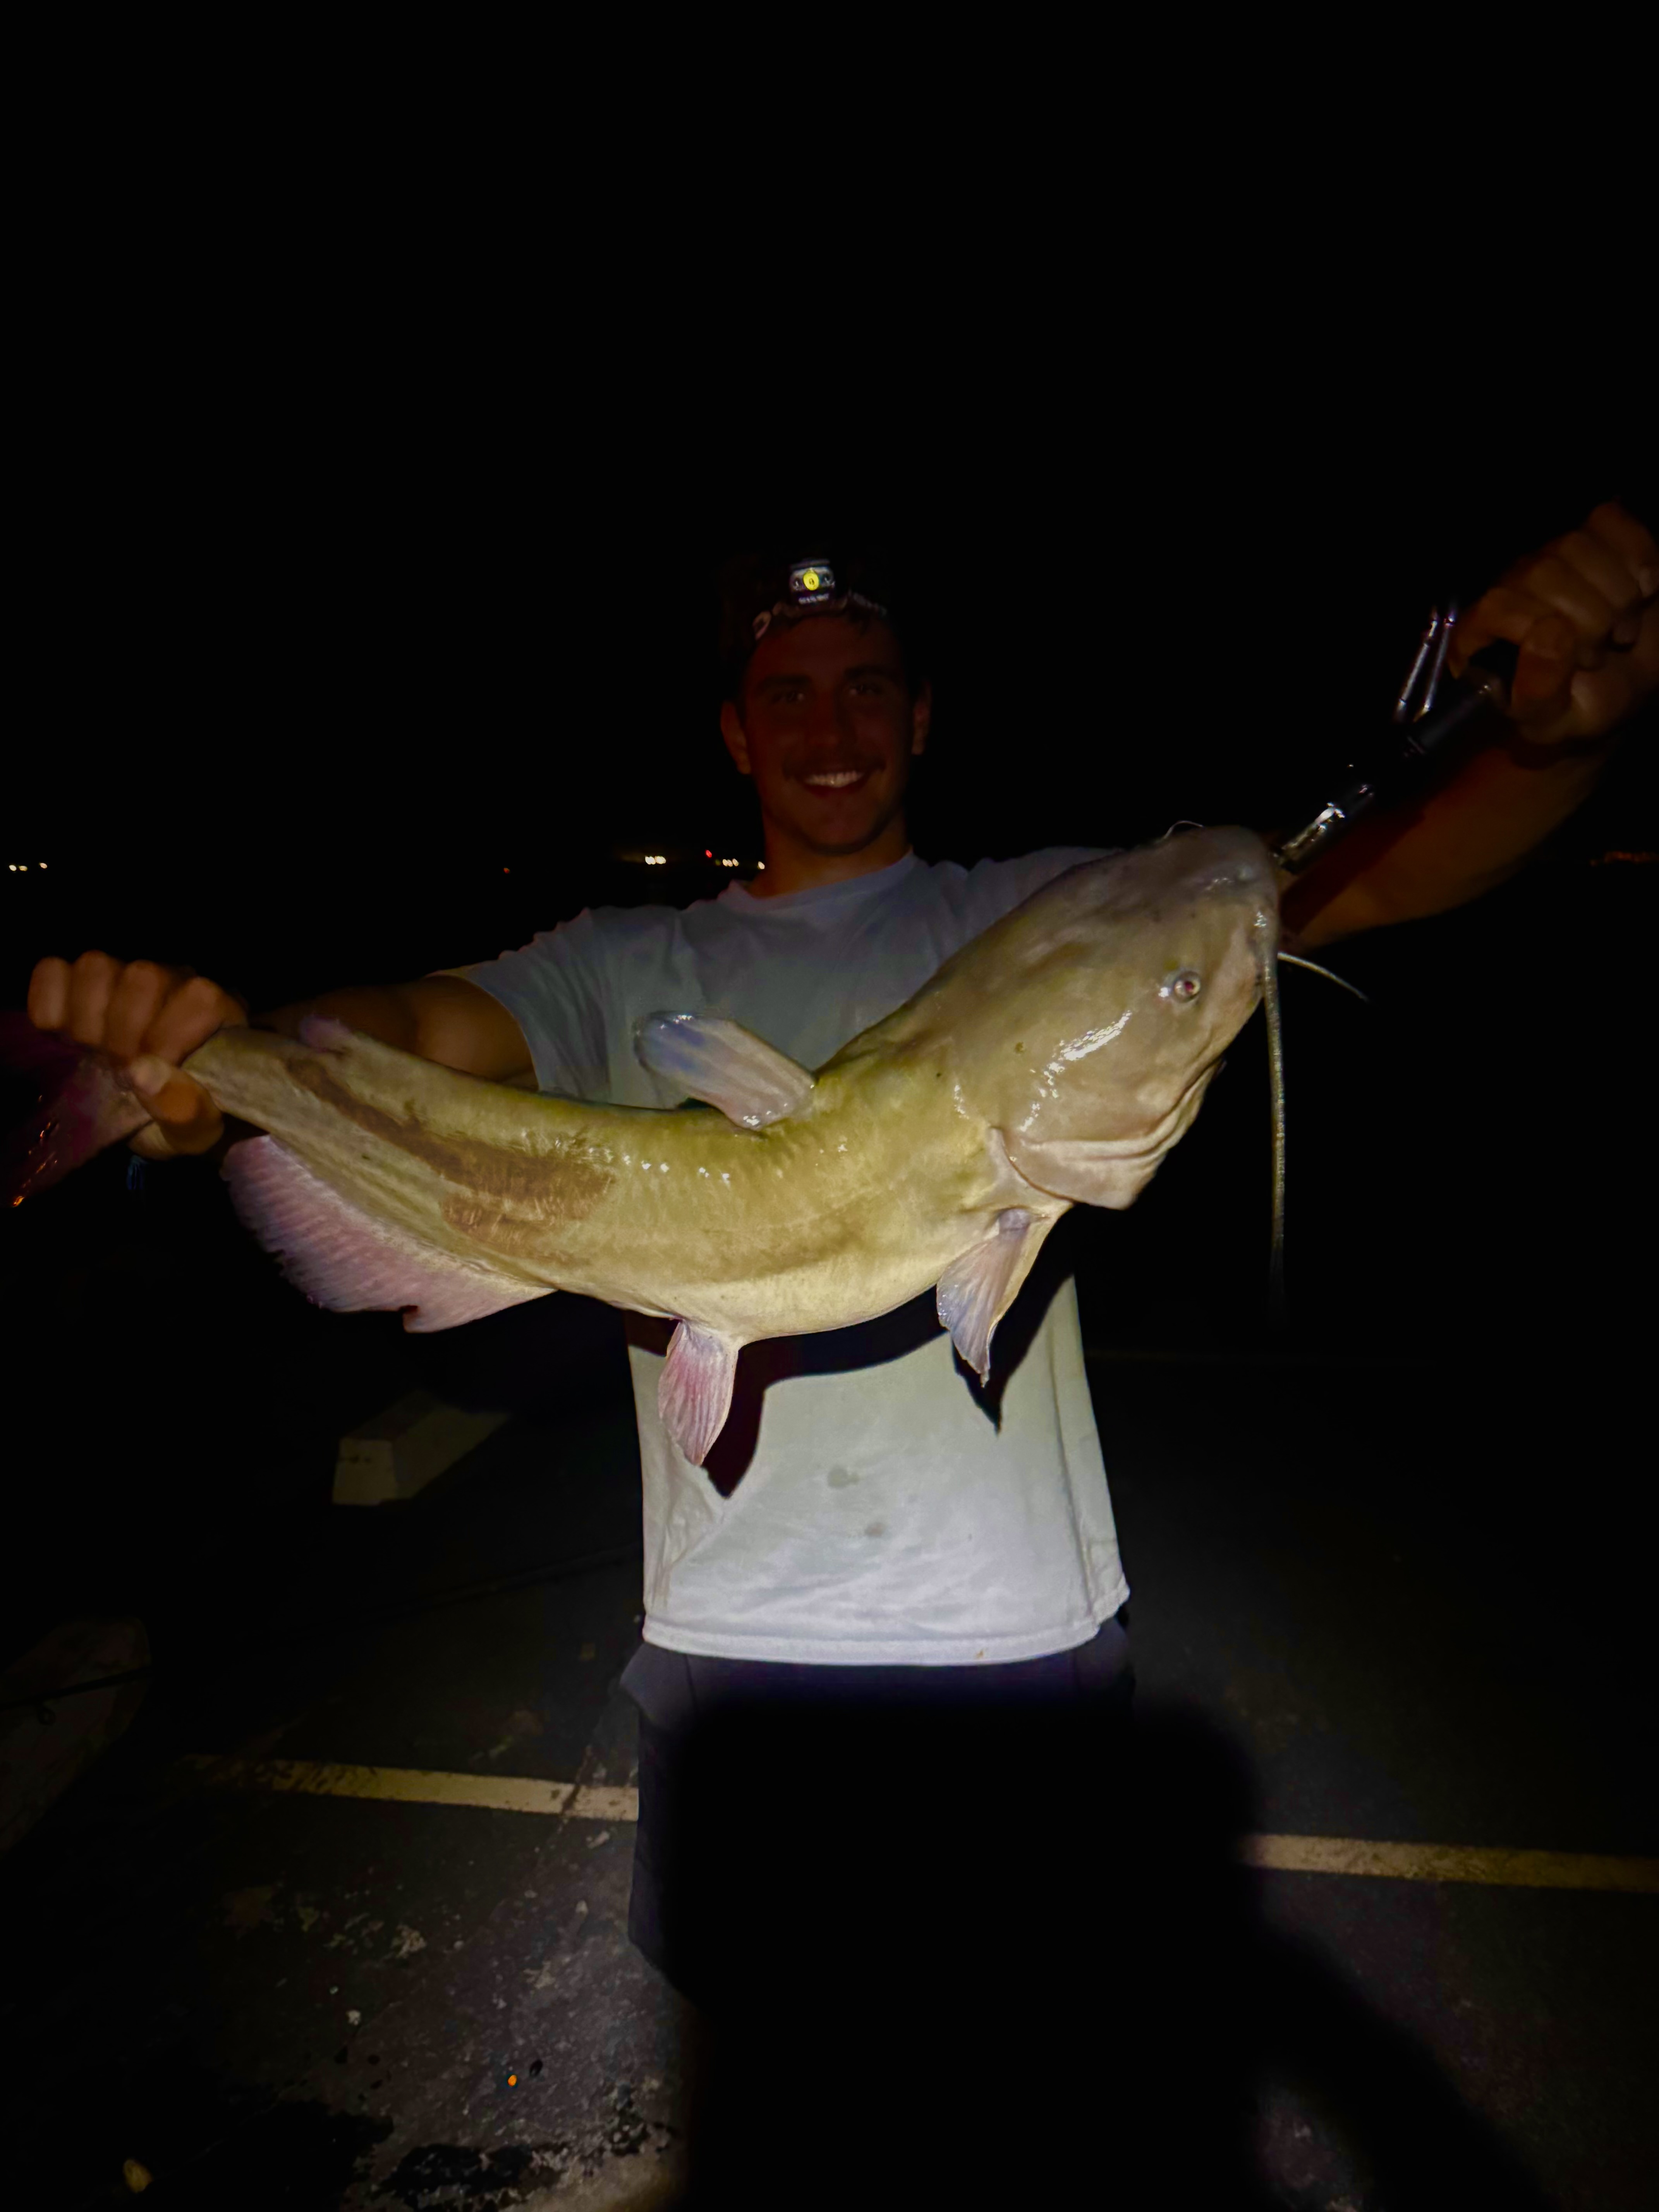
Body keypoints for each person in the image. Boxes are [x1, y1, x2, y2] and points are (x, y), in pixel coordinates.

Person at [25, 510, 1657, 2202]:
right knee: (786, 2144)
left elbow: (1374, 870)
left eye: (868, 688)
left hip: (1019, 1650)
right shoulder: (624, 960)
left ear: (923, 714)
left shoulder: (1031, 914)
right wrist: (224, 1070)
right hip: (746, 1679)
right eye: (788, 694)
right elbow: (415, 1034)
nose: (831, 728)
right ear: (735, 732)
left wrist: (1555, 745)